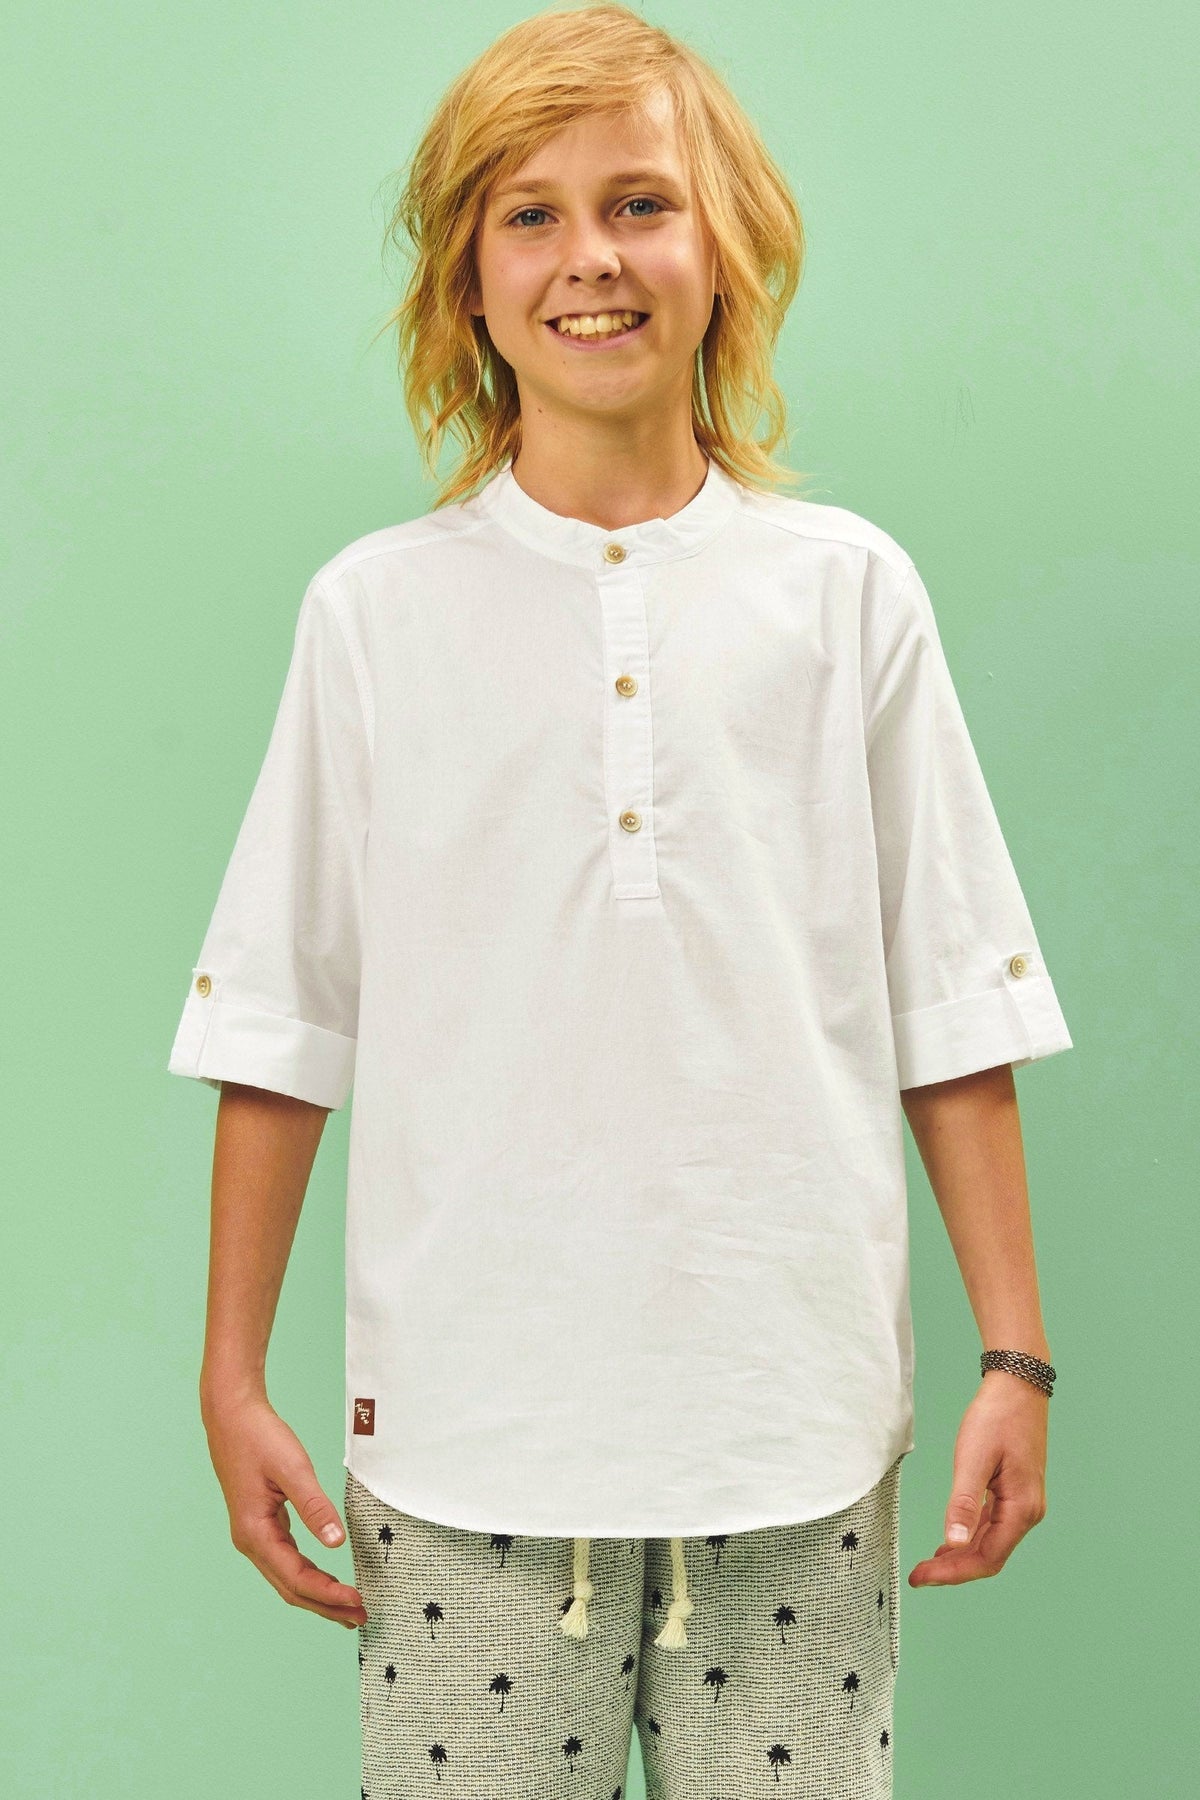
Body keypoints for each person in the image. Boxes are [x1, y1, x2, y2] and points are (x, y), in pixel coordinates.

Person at [167, 6, 1073, 1796]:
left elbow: (952, 1005)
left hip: (793, 1441)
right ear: (469, 285)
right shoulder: (374, 617)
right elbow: (284, 1022)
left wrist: (1017, 1358)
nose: (590, 256)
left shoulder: (847, 598)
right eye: (531, 215)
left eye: (640, 203)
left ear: (726, 250)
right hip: (463, 1458)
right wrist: (231, 1375)